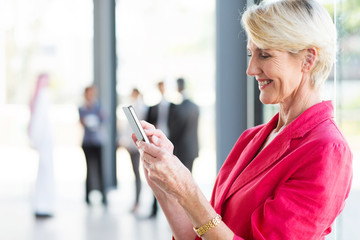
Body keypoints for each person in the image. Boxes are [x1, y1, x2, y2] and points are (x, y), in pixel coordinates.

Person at [132, 1, 353, 239]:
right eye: (251, 54)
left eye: (264, 55)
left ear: (308, 59)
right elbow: (202, 233)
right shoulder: (251, 138)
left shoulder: (327, 151)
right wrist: (167, 187)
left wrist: (187, 190)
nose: (251, 69)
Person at [146, 81, 176, 218]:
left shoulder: (174, 107)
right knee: (155, 177)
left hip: (172, 144)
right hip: (157, 144)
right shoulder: (153, 107)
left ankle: (175, 212)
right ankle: (154, 209)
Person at [28, 73, 56, 218]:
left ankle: (44, 205)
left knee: (45, 172)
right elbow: (39, 120)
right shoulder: (44, 95)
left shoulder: (42, 95)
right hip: (44, 141)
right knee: (45, 172)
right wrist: (35, 139)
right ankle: (43, 205)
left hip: (46, 141)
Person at [119, 88, 148, 213]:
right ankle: (137, 201)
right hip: (132, 146)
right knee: (136, 173)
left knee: (141, 174)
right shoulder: (134, 108)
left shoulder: (141, 107)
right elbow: (127, 128)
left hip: (138, 146)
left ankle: (138, 201)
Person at [78, 85, 107, 205]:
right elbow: (82, 121)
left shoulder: (98, 106)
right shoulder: (82, 107)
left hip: (98, 141)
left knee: (100, 169)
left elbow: (104, 118)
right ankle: (87, 196)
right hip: (87, 142)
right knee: (89, 169)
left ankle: (103, 196)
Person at [169, 78, 199, 172]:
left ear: (178, 87)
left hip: (182, 149)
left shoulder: (179, 108)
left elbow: (175, 131)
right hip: (192, 148)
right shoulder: (195, 107)